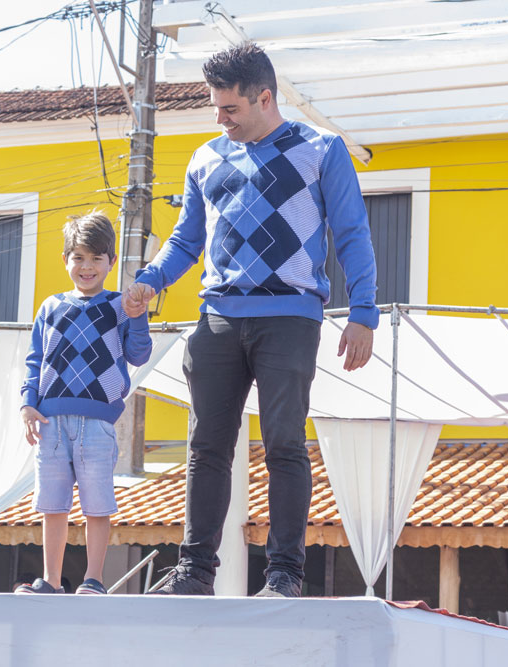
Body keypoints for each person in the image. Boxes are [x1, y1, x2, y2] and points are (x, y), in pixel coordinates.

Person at [124, 43, 378, 598]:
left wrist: (364, 312)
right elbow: (186, 240)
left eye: (230, 109)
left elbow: (353, 234)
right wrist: (151, 279)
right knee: (206, 446)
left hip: (290, 316)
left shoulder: (322, 150)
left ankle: (284, 574)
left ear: (265, 98)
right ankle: (195, 572)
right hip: (216, 317)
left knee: (284, 442)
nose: (220, 119)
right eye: (216, 108)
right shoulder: (205, 159)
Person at [17, 211, 153, 595]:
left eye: (96, 258)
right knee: (52, 504)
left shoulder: (120, 306)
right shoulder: (49, 307)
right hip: (50, 422)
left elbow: (138, 354)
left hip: (99, 423)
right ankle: (52, 581)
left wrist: (138, 317)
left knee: (98, 503)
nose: (87, 266)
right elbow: (34, 359)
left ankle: (94, 579)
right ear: (65, 260)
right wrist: (28, 403)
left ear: (111, 262)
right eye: (79, 257)